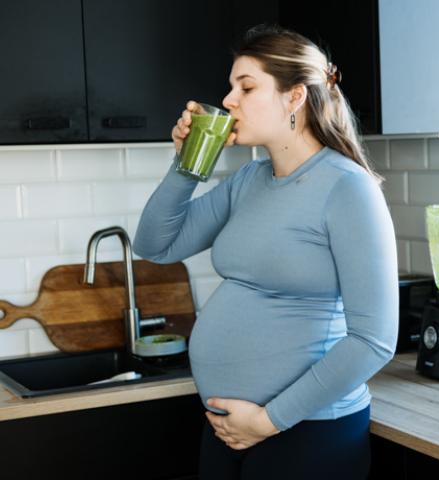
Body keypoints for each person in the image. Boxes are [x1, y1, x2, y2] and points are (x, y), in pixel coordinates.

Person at [132, 23, 398, 480]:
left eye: (246, 86)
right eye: (231, 86)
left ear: (294, 97)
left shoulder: (348, 189)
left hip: (308, 432)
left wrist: (268, 420)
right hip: (226, 430)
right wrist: (187, 162)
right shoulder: (249, 180)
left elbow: (373, 342)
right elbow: (156, 246)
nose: (229, 99)